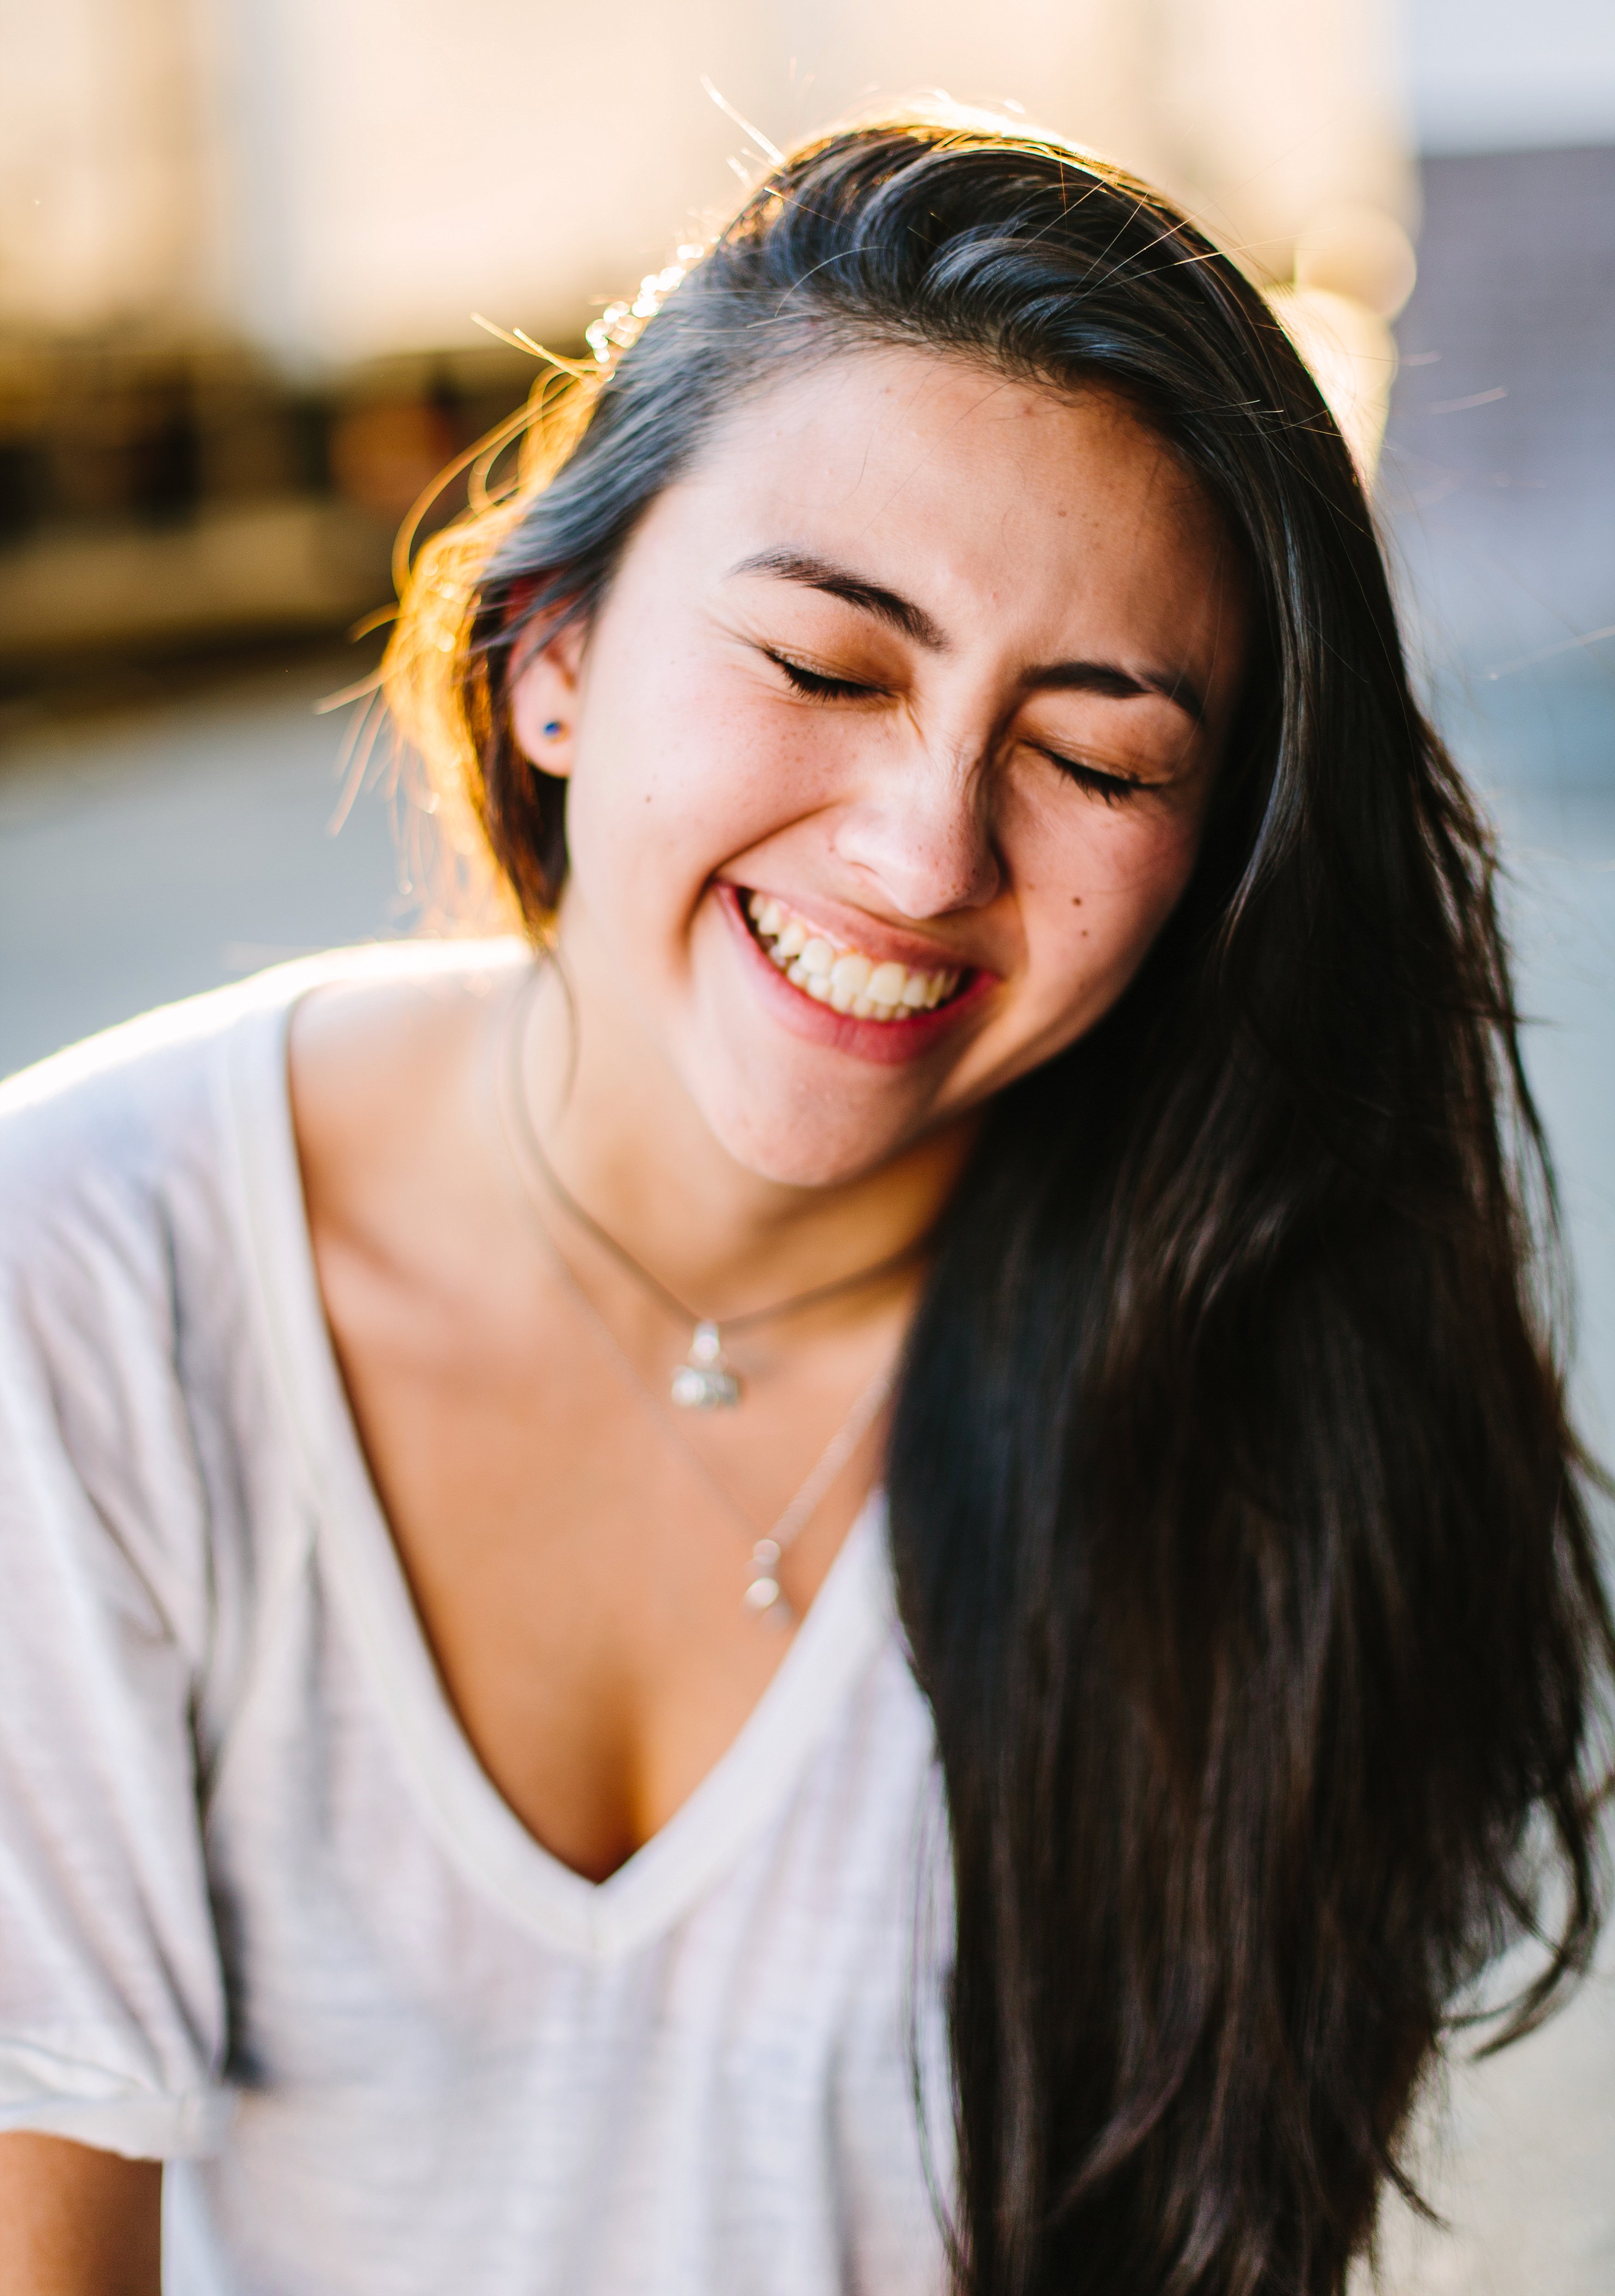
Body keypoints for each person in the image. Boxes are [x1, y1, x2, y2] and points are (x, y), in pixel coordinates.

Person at [0, 115, 1608, 2296]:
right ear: (552, 652)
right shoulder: (79, 1276)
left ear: (1213, 854)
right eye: (825, 667)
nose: (922, 850)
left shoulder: (1268, 1385)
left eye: (1097, 756)